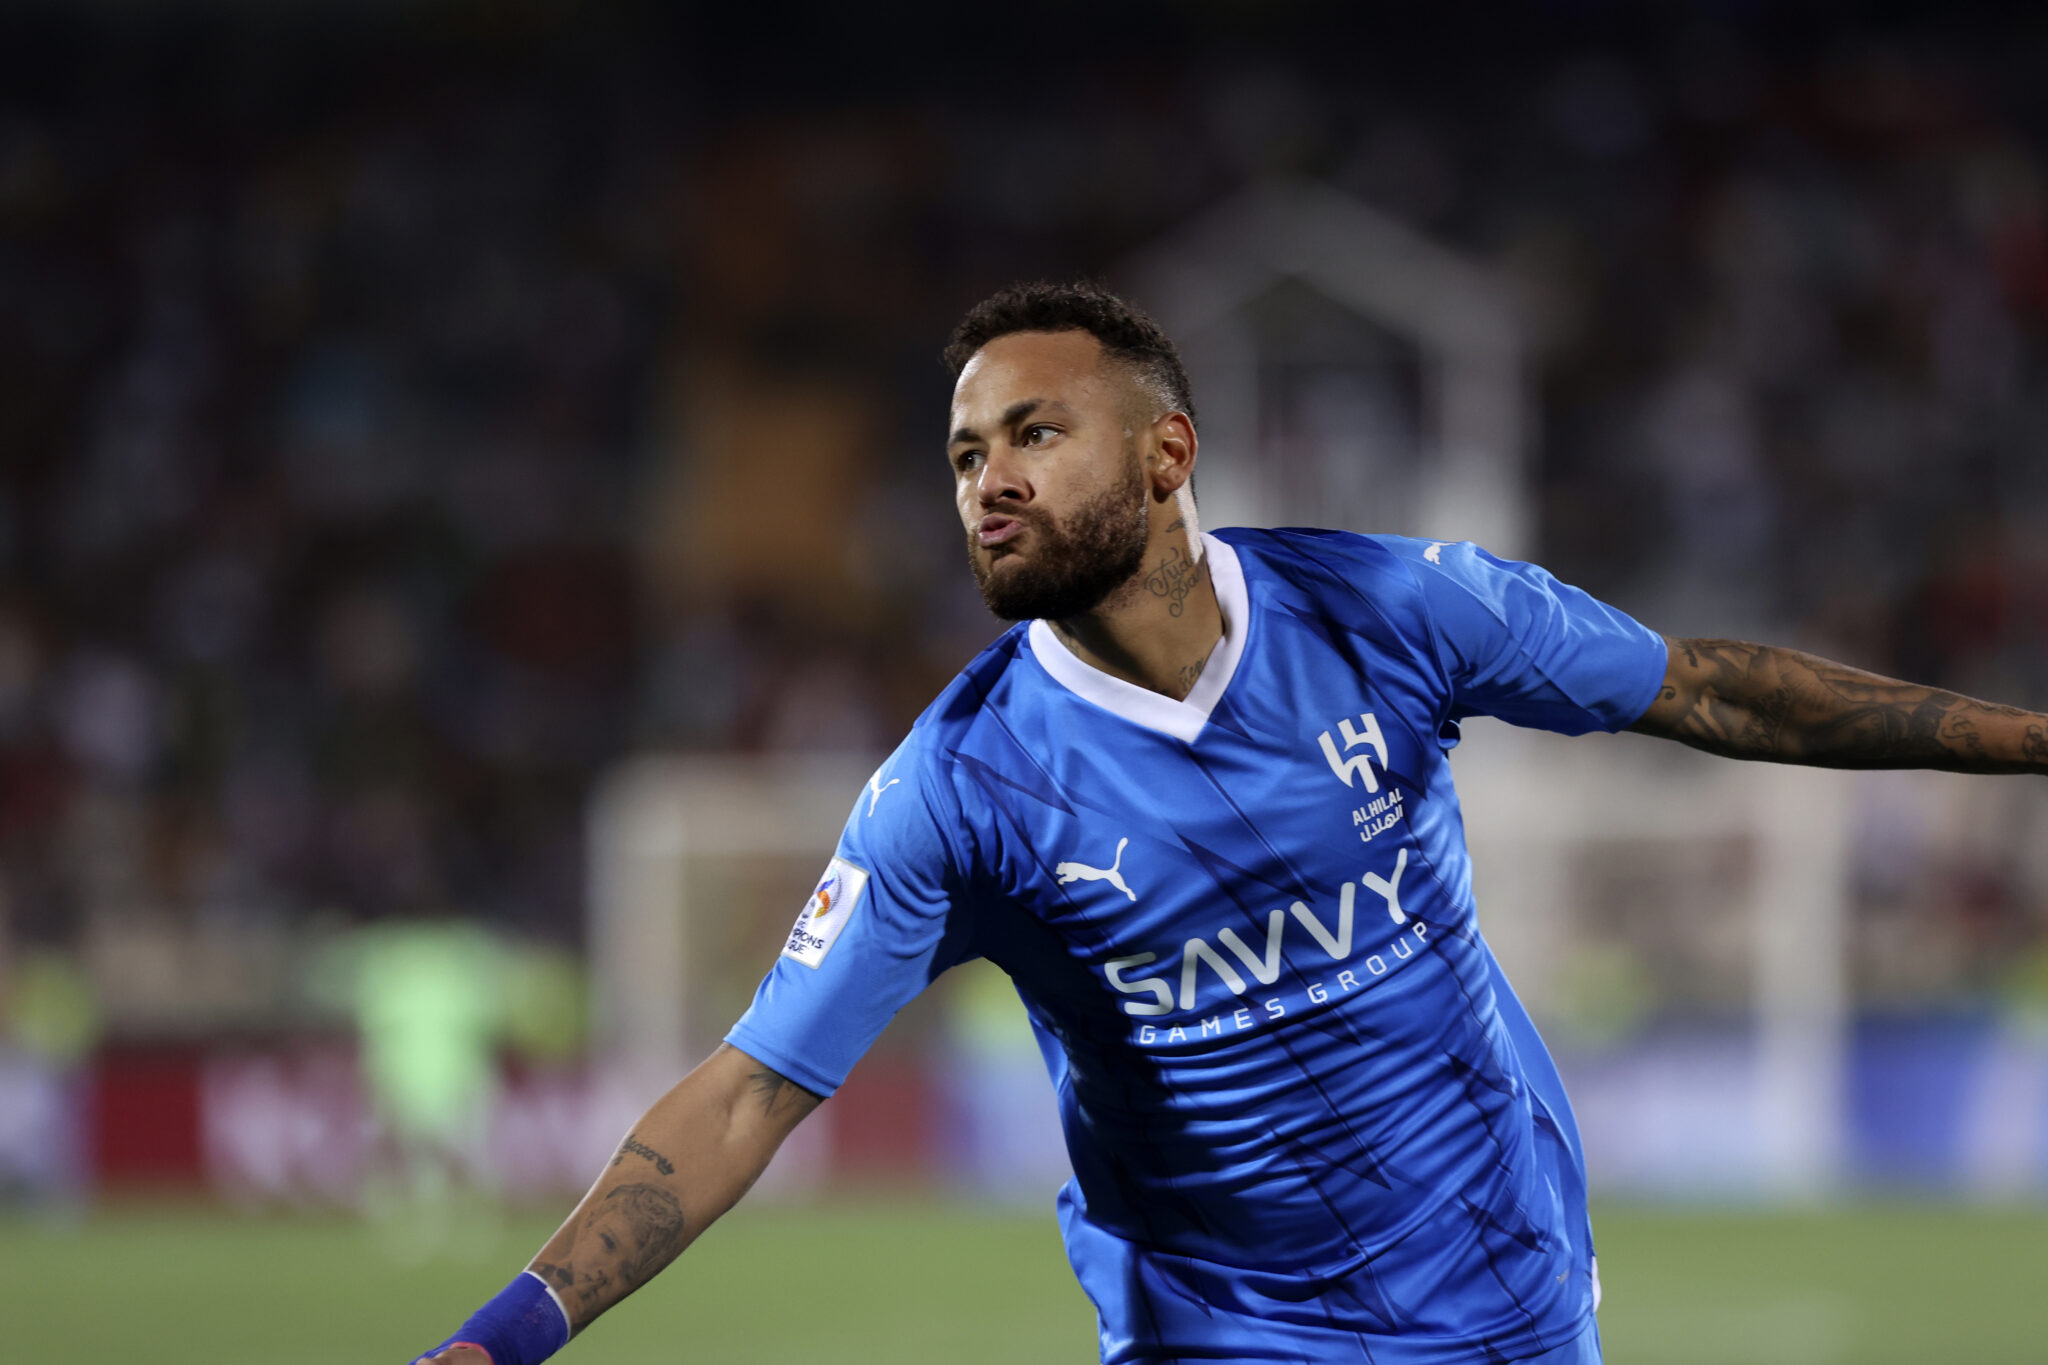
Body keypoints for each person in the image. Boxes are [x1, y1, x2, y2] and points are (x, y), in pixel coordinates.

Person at [413, 282, 2048, 1365]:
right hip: (1219, 1328)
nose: (987, 481)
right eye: (965, 453)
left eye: (1035, 434)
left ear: (1168, 453)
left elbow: (1709, 691)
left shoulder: (1395, 610)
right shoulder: (961, 786)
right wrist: (503, 1334)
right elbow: (751, 1088)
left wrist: (2030, 741)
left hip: (1506, 1285)